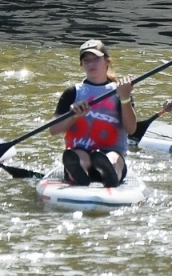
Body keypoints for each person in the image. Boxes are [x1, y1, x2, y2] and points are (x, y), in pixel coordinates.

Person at [48, 39, 135, 187]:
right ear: (81, 65)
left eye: (96, 59)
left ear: (107, 62)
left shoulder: (120, 91)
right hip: (80, 153)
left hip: (111, 153)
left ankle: (110, 173)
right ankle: (79, 173)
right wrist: (73, 116)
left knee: (111, 158)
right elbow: (53, 130)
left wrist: (125, 98)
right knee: (79, 156)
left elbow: (131, 129)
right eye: (87, 60)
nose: (91, 64)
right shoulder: (72, 93)